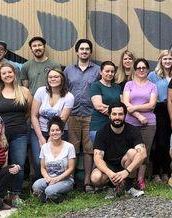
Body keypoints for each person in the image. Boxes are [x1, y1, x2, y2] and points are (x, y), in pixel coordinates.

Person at [0, 63, 32, 205]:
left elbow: (29, 112)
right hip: (0, 135)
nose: (7, 75)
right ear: (0, 76)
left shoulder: (24, 91)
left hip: (20, 134)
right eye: (4, 73)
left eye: (9, 72)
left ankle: (15, 195)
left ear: (14, 74)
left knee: (19, 164)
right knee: (0, 164)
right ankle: (1, 193)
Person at [90, 102, 146, 198]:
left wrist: (126, 172)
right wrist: (110, 173)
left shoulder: (133, 130)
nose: (117, 117)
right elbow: (97, 158)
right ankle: (111, 188)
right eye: (114, 114)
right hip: (109, 167)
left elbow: (143, 153)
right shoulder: (102, 132)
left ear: (125, 115)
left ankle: (128, 187)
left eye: (120, 114)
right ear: (109, 115)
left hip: (125, 164)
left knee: (133, 153)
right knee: (95, 178)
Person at [64, 39, 99, 192]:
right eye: (81, 49)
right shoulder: (68, 70)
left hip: (91, 114)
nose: (84, 51)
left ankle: (87, 182)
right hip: (72, 114)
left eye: (87, 49)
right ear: (77, 52)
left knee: (89, 149)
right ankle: (70, 180)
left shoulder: (98, 70)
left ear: (90, 52)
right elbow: (64, 90)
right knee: (72, 149)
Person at [30, 68, 74, 179]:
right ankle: (40, 184)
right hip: (38, 130)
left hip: (57, 132)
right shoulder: (41, 91)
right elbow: (34, 115)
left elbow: (61, 120)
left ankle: (58, 182)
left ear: (62, 79)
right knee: (38, 160)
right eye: (50, 77)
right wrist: (41, 138)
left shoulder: (69, 97)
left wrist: (50, 138)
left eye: (56, 77)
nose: (53, 79)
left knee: (56, 161)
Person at [122, 58, 157, 190]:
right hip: (131, 122)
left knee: (145, 151)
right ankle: (129, 178)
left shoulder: (152, 86)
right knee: (131, 151)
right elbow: (126, 103)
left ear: (148, 70)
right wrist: (138, 115)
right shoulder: (129, 85)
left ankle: (140, 179)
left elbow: (152, 105)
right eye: (138, 68)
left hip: (148, 123)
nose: (141, 70)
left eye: (144, 68)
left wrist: (134, 108)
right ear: (135, 70)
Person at [32, 116, 76, 203]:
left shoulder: (69, 147)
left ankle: (59, 197)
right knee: (36, 186)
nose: (55, 133)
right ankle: (50, 197)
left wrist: (57, 179)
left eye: (57, 130)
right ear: (49, 132)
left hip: (65, 180)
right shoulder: (45, 147)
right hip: (49, 178)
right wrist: (47, 177)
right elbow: (43, 168)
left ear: (62, 132)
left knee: (49, 191)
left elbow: (71, 168)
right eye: (52, 130)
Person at [148, 50, 172, 183]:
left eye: (170, 59)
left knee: (170, 143)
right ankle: (155, 173)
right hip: (159, 109)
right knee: (160, 142)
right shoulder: (153, 76)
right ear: (160, 60)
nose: (167, 61)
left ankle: (166, 171)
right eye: (165, 59)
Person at [89, 60, 122, 145]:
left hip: (115, 126)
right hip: (98, 125)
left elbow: (123, 105)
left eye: (112, 71)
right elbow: (99, 106)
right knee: (99, 153)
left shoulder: (117, 87)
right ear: (101, 72)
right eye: (107, 71)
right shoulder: (96, 86)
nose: (110, 73)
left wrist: (113, 112)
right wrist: (116, 113)